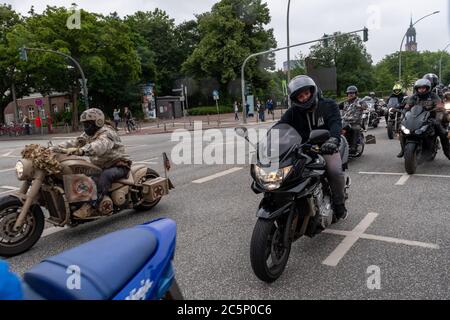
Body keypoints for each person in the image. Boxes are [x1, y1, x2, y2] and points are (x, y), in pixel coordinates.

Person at [278, 75, 347, 220]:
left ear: (312, 91)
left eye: (306, 93)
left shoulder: (328, 105)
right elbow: (279, 127)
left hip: (327, 147)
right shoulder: (293, 112)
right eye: (300, 96)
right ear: (295, 99)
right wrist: (265, 141)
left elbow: (335, 123)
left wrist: (333, 139)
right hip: (303, 149)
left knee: (334, 171)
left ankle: (339, 203)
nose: (304, 98)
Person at [55, 108, 132, 219]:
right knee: (83, 177)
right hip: (100, 166)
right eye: (84, 124)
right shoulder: (89, 134)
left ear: (98, 122)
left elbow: (99, 146)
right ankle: (76, 204)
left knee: (106, 176)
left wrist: (81, 150)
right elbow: (74, 142)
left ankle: (90, 207)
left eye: (88, 124)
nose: (86, 127)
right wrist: (55, 148)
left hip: (119, 165)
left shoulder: (107, 133)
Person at [397, 78, 450, 159]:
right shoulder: (414, 97)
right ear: (417, 88)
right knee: (402, 130)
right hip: (417, 118)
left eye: (423, 88)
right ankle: (403, 149)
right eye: (419, 88)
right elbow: (407, 107)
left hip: (431, 118)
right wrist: (403, 115)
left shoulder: (433, 96)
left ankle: (447, 152)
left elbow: (440, 108)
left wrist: (437, 118)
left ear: (427, 88)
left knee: (442, 132)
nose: (421, 90)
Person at [339, 85, 367, 153]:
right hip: (344, 121)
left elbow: (365, 106)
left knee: (355, 129)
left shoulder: (360, 101)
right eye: (349, 93)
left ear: (355, 93)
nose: (350, 94)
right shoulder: (345, 102)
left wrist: (361, 106)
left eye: (352, 93)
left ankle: (353, 147)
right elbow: (336, 106)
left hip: (355, 122)